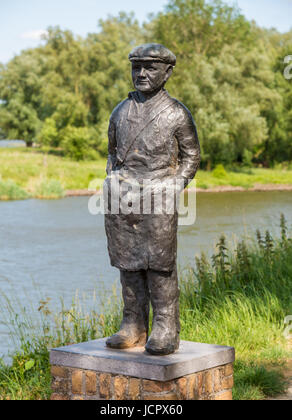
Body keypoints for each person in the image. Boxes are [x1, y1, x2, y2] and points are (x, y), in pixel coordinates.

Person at [104, 43, 200, 355]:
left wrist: (174, 186)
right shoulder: (120, 110)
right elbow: (111, 152)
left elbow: (192, 156)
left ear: (167, 71)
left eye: (150, 67)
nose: (141, 73)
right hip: (123, 199)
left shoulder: (176, 113)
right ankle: (133, 325)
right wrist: (113, 181)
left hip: (159, 197)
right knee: (128, 265)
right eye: (136, 67)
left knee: (160, 266)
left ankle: (166, 327)